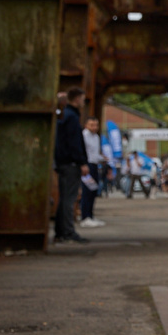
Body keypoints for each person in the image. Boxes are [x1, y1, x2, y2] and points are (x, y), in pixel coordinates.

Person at [53, 88, 89, 244]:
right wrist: (81, 162)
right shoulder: (72, 117)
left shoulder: (64, 115)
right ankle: (68, 232)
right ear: (77, 99)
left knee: (64, 198)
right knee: (69, 199)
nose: (83, 102)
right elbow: (75, 143)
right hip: (71, 163)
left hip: (63, 162)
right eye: (83, 99)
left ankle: (60, 232)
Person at [79, 116, 106, 227]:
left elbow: (95, 153)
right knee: (87, 191)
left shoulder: (96, 137)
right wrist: (83, 164)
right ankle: (85, 217)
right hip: (87, 165)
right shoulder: (83, 136)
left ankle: (90, 215)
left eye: (96, 125)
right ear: (86, 125)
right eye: (92, 125)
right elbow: (82, 151)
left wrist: (103, 158)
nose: (94, 127)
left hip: (95, 164)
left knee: (94, 191)